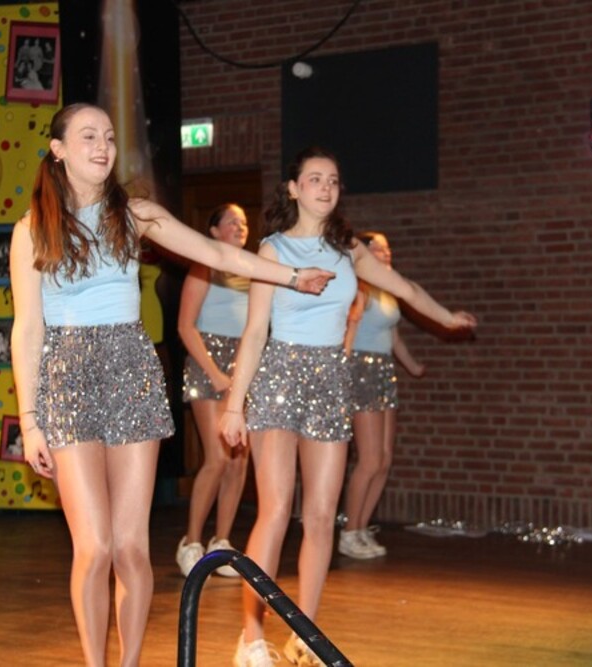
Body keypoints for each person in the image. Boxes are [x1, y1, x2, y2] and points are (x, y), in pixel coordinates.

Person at [8, 103, 333, 667]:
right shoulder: (31, 229)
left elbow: (216, 252)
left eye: (109, 137)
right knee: (95, 547)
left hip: (130, 370)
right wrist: (30, 420)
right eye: (88, 136)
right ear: (57, 150)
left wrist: (291, 276)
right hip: (66, 377)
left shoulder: (134, 214)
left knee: (131, 547)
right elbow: (27, 329)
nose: (103, 147)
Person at [221, 146, 476, 667]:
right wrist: (233, 405)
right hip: (280, 376)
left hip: (331, 380)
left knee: (320, 516)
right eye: (314, 179)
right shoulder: (272, 250)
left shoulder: (349, 250)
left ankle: (304, 636)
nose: (325, 187)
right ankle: (251, 636)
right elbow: (254, 332)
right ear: (294, 189)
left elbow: (405, 288)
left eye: (333, 180)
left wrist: (446, 316)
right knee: (275, 511)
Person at [175, 203, 252, 578]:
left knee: (239, 461)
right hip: (209, 365)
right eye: (232, 221)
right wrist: (216, 373)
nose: (240, 226)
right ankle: (190, 542)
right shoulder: (204, 266)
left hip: (242, 367)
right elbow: (185, 326)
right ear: (214, 230)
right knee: (218, 457)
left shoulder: (253, 269)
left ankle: (221, 542)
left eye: (244, 222)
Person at [339, 231, 426, 559]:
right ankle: (349, 532)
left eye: (388, 248)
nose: (385, 253)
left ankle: (361, 527)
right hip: (361, 370)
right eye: (377, 248)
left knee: (385, 458)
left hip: (384, 370)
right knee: (370, 458)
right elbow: (348, 330)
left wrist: (413, 366)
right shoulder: (360, 287)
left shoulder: (389, 289)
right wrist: (341, 374)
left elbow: (393, 336)